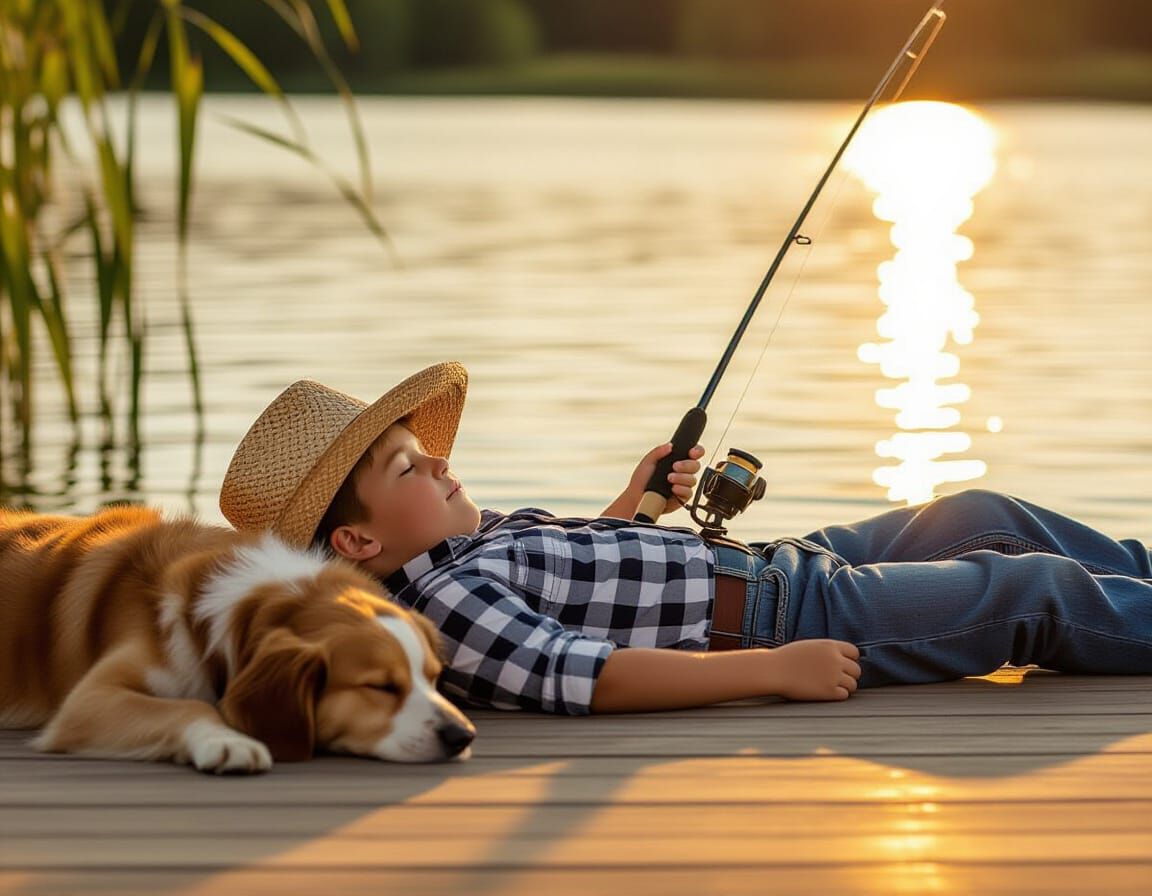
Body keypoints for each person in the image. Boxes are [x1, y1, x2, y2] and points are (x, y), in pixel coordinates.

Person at [219, 362, 1152, 715]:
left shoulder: (468, 549)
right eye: (408, 471)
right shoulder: (445, 608)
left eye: (426, 453)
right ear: (352, 540)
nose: (439, 466)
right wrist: (772, 672)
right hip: (782, 618)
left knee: (978, 510)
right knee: (1024, 590)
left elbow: (586, 576)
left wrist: (635, 505)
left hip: (780, 561)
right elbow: (587, 672)